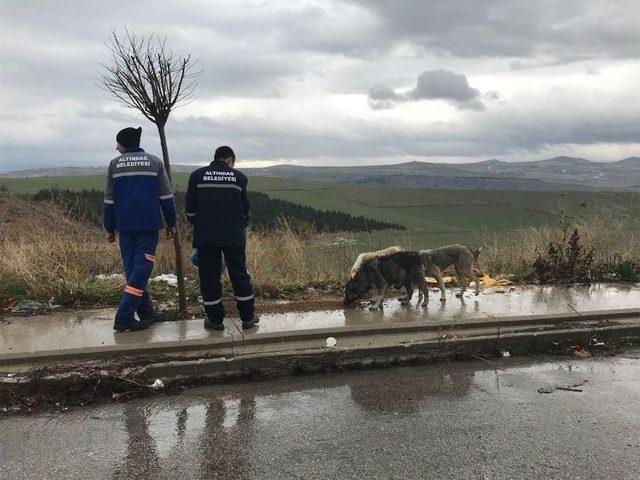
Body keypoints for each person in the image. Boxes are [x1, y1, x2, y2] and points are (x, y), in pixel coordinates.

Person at [103, 127, 177, 332]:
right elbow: (166, 197)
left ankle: (145, 313)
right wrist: (171, 223)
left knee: (134, 271)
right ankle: (124, 317)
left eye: (118, 143)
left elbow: (109, 200)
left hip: (125, 226)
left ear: (125, 144)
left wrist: (109, 227)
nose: (116, 147)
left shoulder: (114, 165)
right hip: (148, 225)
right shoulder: (154, 162)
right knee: (140, 271)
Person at [185, 146, 258, 330]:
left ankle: (215, 320)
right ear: (230, 160)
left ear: (215, 158)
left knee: (209, 276)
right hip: (233, 235)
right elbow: (245, 211)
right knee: (239, 273)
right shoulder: (239, 178)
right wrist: (240, 225)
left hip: (206, 236)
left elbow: (190, 211)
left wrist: (201, 225)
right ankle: (248, 317)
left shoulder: (197, 176)